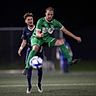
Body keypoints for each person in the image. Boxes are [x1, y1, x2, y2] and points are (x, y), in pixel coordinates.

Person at [26, 6, 81, 75]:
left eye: (51, 14)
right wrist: (40, 35)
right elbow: (37, 33)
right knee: (35, 48)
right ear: (45, 14)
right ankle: (27, 67)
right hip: (37, 38)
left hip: (46, 38)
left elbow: (66, 31)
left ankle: (70, 61)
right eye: (48, 14)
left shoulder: (55, 22)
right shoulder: (41, 21)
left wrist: (75, 37)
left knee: (61, 42)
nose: (50, 16)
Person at [18, 12, 43, 93]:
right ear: (26, 21)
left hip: (39, 51)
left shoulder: (38, 28)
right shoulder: (25, 30)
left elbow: (43, 39)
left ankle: (39, 84)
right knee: (29, 68)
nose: (30, 21)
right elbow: (24, 41)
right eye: (28, 20)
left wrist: (42, 46)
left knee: (39, 68)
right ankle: (29, 86)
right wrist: (20, 48)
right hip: (30, 51)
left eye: (31, 19)